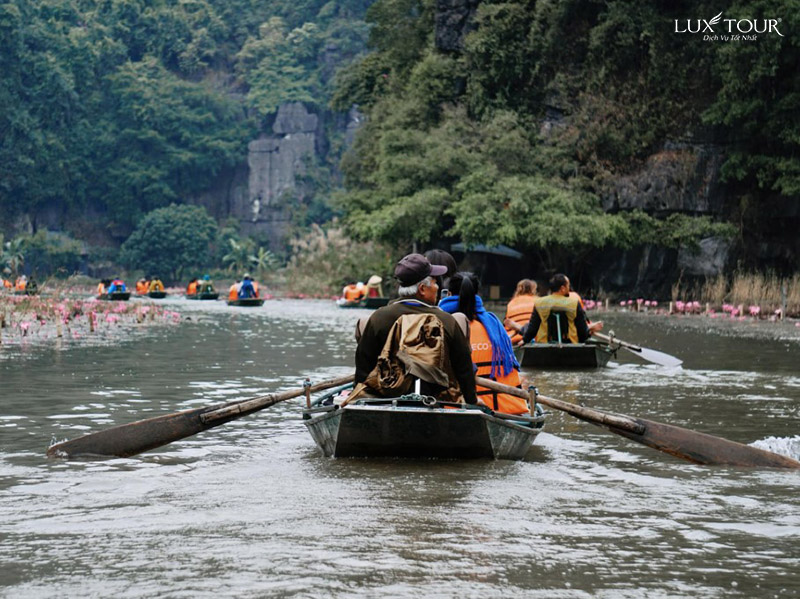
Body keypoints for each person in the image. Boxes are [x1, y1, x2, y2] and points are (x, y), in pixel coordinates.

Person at [351, 253, 483, 407]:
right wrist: (472, 402)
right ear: (422, 289)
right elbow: (464, 370)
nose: (438, 287)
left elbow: (363, 367)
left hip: (386, 399)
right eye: (434, 283)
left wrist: (358, 400)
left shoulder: (379, 317)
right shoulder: (447, 320)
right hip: (436, 402)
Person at [440, 272, 528, 414]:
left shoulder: (442, 324)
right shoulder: (494, 324)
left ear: (449, 294)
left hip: (457, 408)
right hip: (506, 408)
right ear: (477, 294)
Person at [506, 273, 602, 344]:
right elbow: (582, 331)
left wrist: (524, 340)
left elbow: (532, 329)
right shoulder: (574, 303)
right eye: (568, 286)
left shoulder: (539, 303)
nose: (569, 288)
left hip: (544, 345)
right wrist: (585, 338)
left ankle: (519, 327)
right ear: (562, 288)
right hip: (570, 344)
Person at [504, 279, 538, 346]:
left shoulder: (511, 303)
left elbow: (506, 323)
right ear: (533, 289)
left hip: (514, 339)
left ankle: (520, 328)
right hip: (534, 338)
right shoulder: (538, 301)